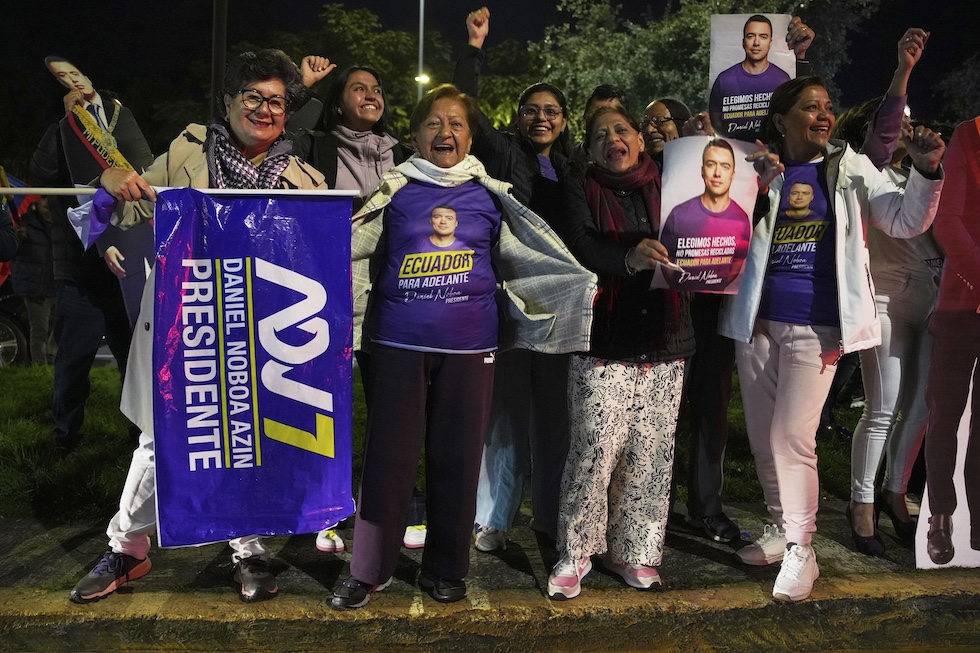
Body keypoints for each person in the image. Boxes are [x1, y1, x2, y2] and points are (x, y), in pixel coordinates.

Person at [67, 49, 327, 605]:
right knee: (162, 438)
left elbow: (318, 260)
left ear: (288, 112)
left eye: (277, 101)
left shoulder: (308, 181)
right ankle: (127, 548)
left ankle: (249, 550)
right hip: (185, 326)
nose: (264, 109)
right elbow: (123, 212)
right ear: (229, 102)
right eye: (253, 96)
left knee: (251, 438)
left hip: (262, 333)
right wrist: (109, 183)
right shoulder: (186, 153)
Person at [330, 83, 595, 610]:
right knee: (387, 461)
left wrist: (575, 288)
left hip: (471, 350)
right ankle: (369, 570)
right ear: (414, 135)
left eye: (456, 124)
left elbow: (528, 259)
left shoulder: (491, 195)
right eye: (433, 123)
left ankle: (447, 568)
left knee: (458, 460)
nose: (445, 132)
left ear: (471, 138)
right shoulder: (394, 191)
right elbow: (351, 251)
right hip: (397, 344)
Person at [719, 75, 944, 602]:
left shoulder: (851, 167)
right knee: (762, 437)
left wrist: (926, 171)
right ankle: (780, 528)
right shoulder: (757, 168)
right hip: (756, 323)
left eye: (827, 107)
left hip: (816, 327)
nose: (823, 115)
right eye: (810, 107)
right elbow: (720, 224)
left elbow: (905, 220)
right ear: (781, 121)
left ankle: (802, 549)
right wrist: (743, 180)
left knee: (790, 437)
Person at [546, 106, 694, 599]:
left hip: (666, 338)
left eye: (621, 129)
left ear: (640, 138)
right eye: (599, 135)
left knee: (651, 455)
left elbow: (715, 225)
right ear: (589, 150)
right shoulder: (579, 186)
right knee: (593, 449)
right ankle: (577, 551)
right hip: (603, 338)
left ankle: (636, 551)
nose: (612, 138)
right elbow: (580, 243)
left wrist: (755, 186)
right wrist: (628, 258)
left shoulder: (674, 182)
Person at [452, 7, 576, 550]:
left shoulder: (572, 168)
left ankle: (548, 513)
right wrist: (473, 50)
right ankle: (495, 518)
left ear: (564, 121)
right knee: (504, 412)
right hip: (509, 298)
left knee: (554, 415)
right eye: (532, 110)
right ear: (519, 117)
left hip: (560, 307)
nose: (541, 118)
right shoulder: (504, 152)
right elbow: (467, 107)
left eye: (551, 111)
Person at [293, 60, 423, 554]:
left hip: (392, 294)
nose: (371, 95)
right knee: (328, 406)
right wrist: (303, 89)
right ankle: (328, 511)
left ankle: (401, 507)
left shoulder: (403, 154)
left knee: (392, 407)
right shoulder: (318, 145)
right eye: (358, 88)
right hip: (331, 292)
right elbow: (284, 139)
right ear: (338, 102)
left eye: (377, 88)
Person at [837, 28, 940, 556]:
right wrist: (903, 69)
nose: (905, 129)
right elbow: (904, 222)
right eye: (895, 124)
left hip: (933, 299)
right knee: (882, 407)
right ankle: (861, 504)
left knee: (920, 406)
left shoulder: (920, 171)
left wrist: (928, 169)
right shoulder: (861, 176)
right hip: (885, 300)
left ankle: (895, 493)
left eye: (909, 121)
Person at [32, 56, 153, 452]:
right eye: (64, 79)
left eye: (76, 76)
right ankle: (66, 438)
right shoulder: (62, 129)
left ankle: (141, 438)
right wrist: (64, 123)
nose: (73, 83)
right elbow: (42, 171)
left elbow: (147, 170)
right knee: (73, 361)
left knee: (135, 360)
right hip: (79, 270)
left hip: (127, 266)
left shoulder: (121, 122)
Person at [922, 115, 980, 565]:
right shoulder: (971, 135)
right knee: (944, 413)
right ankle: (940, 517)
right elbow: (948, 221)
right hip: (962, 303)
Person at [659, 138, 750, 292]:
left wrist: (715, 286)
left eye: (725, 166)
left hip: (718, 299)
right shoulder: (678, 214)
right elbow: (664, 260)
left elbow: (737, 263)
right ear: (702, 171)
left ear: (733, 174)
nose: (717, 173)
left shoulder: (741, 218)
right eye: (711, 164)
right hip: (680, 297)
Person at [709, 16, 814, 142]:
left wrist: (801, 56)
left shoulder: (783, 79)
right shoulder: (724, 79)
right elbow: (716, 124)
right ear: (743, 42)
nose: (756, 43)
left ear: (770, 43)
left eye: (763, 37)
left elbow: (797, 116)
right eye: (751, 36)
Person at [11, 197, 57, 364]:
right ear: (37, 203)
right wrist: (16, 236)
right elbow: (12, 250)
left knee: (58, 328)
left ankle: (52, 363)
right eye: (45, 205)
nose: (48, 209)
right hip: (35, 289)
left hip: (57, 286)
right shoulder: (24, 224)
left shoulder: (62, 224)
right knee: (39, 331)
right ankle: (40, 367)